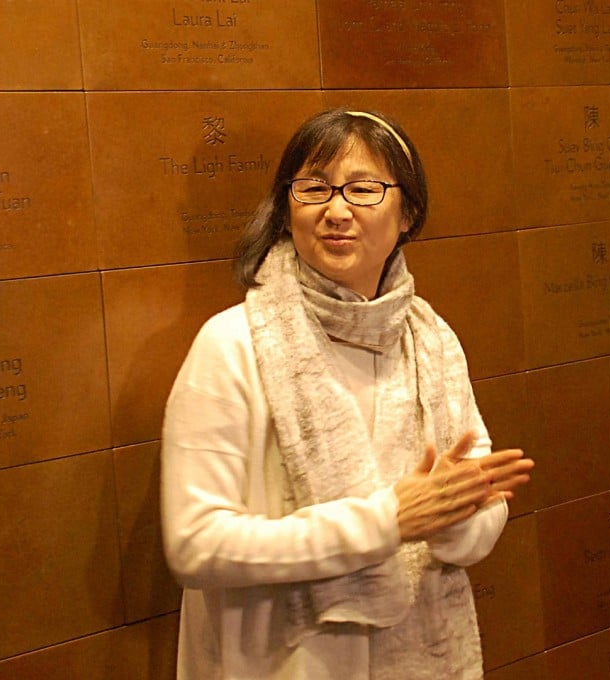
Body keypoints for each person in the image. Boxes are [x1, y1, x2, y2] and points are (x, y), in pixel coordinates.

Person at [161, 108, 534, 680]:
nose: (337, 211)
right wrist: (386, 521)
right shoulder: (232, 344)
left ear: (408, 212)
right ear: (287, 211)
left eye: (363, 189)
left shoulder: (431, 341)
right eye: (314, 189)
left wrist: (451, 518)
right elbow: (195, 543)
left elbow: (482, 509)